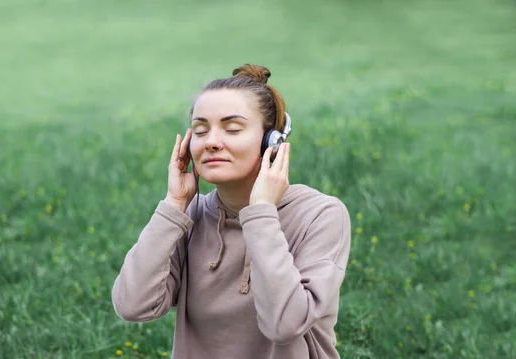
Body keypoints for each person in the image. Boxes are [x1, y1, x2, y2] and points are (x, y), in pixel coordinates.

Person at [111, 64, 352, 359]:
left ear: (272, 142)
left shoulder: (320, 214)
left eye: (232, 129)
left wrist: (261, 212)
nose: (211, 142)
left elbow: (285, 325)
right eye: (200, 130)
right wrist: (174, 205)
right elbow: (132, 306)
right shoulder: (191, 214)